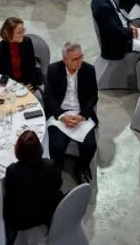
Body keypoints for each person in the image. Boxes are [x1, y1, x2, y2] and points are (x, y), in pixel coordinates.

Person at [44, 41, 98, 182]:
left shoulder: (89, 70)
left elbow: (93, 97)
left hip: (80, 113)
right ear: (65, 60)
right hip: (60, 113)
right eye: (75, 59)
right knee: (56, 147)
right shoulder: (53, 69)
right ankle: (57, 169)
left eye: (81, 57)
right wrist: (62, 116)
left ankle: (81, 168)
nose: (79, 61)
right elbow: (48, 97)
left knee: (90, 145)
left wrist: (82, 116)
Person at [3, 130, 63, 244]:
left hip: (24, 220)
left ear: (18, 150)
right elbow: (58, 184)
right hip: (48, 213)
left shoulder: (12, 171)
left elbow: (10, 199)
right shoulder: (51, 165)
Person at [0, 17, 43, 92]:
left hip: (26, 81)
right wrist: (13, 88)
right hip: (10, 85)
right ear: (9, 34)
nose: (22, 34)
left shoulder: (27, 41)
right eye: (19, 32)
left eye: (23, 30)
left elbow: (31, 65)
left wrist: (30, 84)